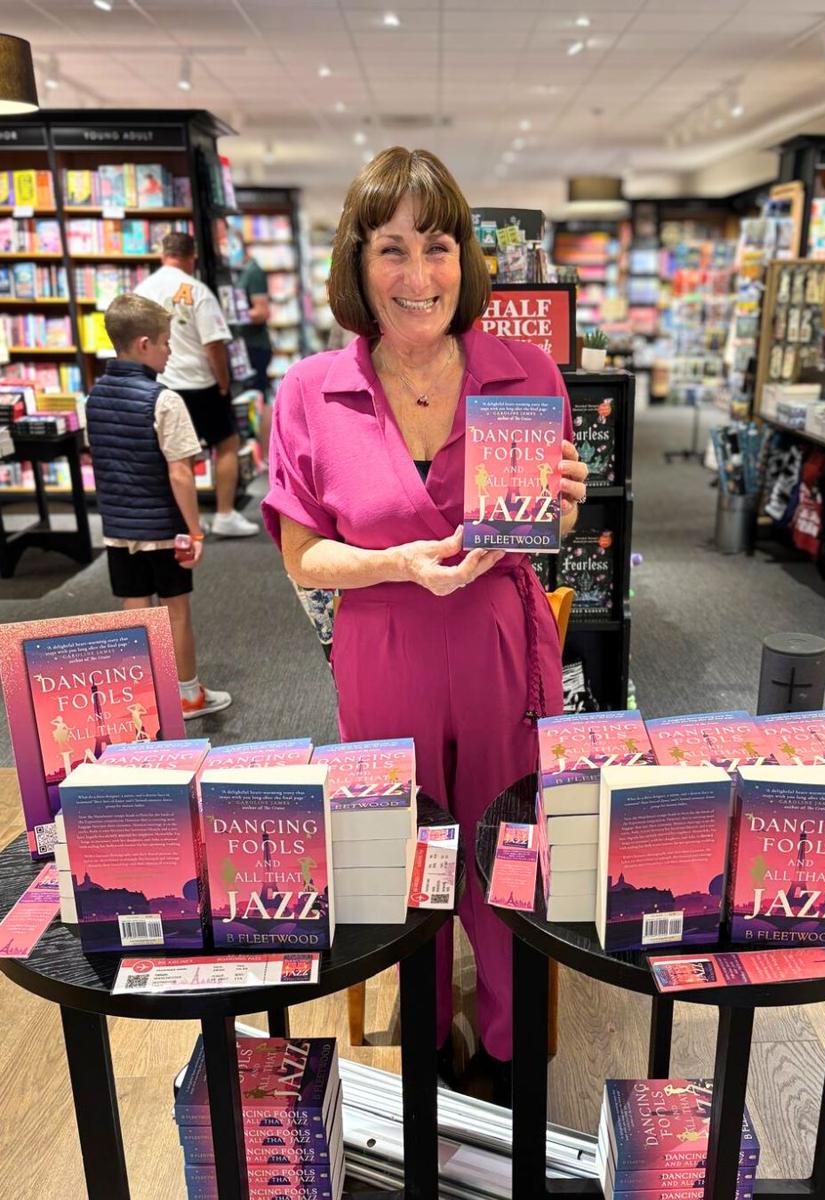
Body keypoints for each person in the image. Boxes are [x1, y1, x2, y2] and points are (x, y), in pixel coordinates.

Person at [262, 147, 588, 1100]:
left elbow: (544, 522)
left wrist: (563, 507)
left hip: (496, 644)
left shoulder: (523, 370)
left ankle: (504, 1047)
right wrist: (397, 565)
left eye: (437, 247)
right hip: (382, 644)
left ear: (466, 259)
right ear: (357, 265)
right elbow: (301, 556)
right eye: (392, 249)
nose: (417, 276)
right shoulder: (310, 392)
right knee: (409, 851)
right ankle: (422, 1031)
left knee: (502, 848)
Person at [86, 293, 232, 719]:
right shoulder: (164, 400)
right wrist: (196, 529)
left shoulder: (94, 398)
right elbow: (180, 473)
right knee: (176, 612)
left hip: (116, 527)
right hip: (163, 529)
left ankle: (145, 697)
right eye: (167, 342)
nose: (171, 352)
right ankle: (187, 694)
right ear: (144, 344)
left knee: (134, 613)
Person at [135, 232, 259, 538]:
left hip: (160, 384)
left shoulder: (142, 290)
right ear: (193, 257)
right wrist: (224, 383)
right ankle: (225, 514)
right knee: (227, 444)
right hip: (199, 383)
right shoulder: (198, 291)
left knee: (179, 455)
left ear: (162, 254)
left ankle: (183, 520)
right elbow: (214, 345)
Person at [237, 243, 274, 458]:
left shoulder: (253, 271)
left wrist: (233, 314)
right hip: (246, 346)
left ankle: (268, 453)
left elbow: (262, 311)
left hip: (255, 346)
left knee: (260, 395)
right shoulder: (242, 271)